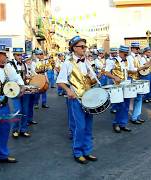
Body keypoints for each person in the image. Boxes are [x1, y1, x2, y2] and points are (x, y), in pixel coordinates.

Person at [56, 36, 98, 164]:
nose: (85, 49)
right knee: (80, 127)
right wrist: (68, 91)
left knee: (89, 126)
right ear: (74, 48)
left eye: (85, 46)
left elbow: (91, 80)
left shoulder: (86, 62)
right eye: (82, 47)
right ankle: (78, 152)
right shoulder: (68, 63)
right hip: (76, 100)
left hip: (89, 98)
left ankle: (87, 151)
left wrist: (94, 78)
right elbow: (60, 81)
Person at [105, 45, 133, 133]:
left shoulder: (127, 61)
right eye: (125, 54)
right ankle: (116, 123)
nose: (126, 56)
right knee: (120, 105)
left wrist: (143, 67)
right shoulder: (112, 61)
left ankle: (123, 124)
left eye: (127, 54)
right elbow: (106, 72)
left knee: (126, 106)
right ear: (120, 53)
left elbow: (131, 70)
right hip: (117, 86)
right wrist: (114, 77)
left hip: (126, 85)